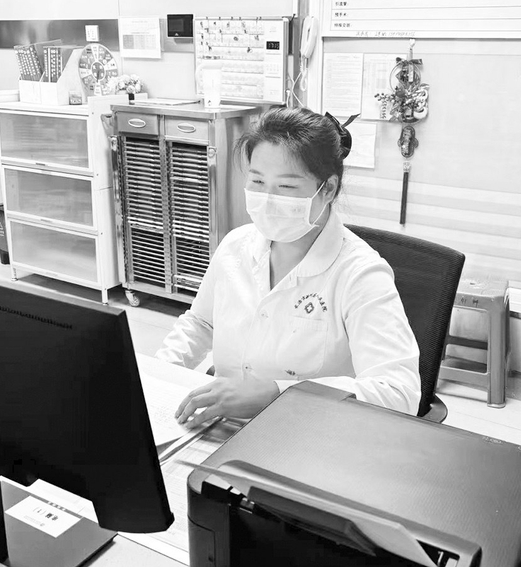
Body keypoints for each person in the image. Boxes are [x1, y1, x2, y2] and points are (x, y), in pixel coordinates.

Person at [156, 107, 421, 428]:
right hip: (222, 426)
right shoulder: (235, 246)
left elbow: (398, 392)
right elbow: (201, 323)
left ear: (328, 189)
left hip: (308, 434)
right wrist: (156, 374)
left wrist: (277, 394)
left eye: (286, 187)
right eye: (257, 181)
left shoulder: (360, 274)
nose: (267, 198)